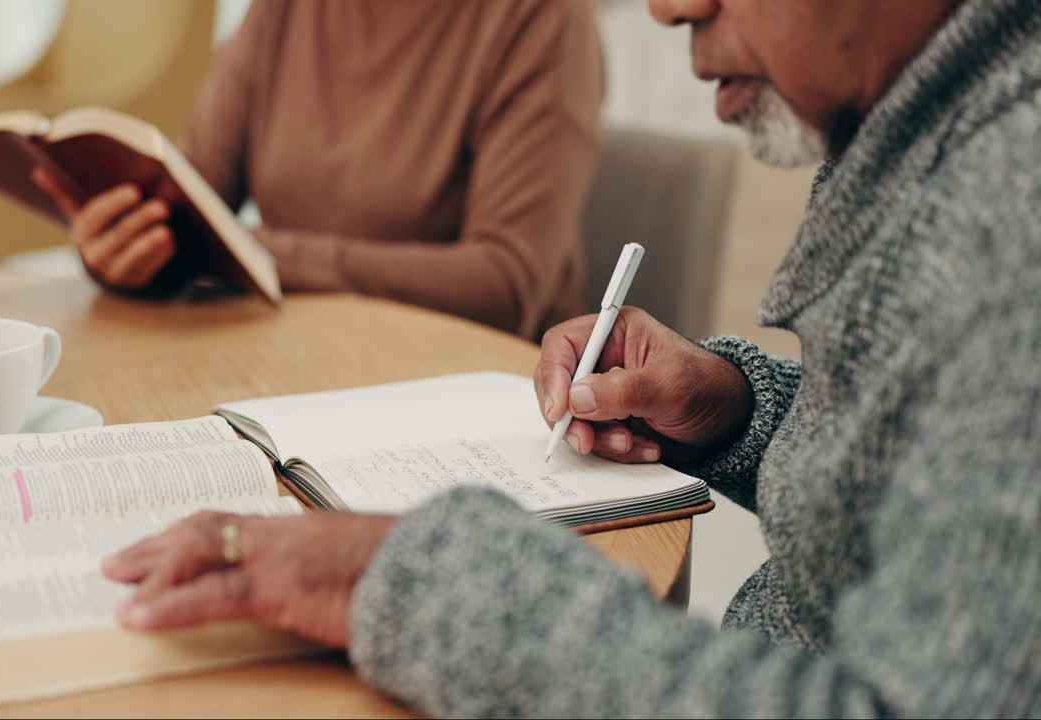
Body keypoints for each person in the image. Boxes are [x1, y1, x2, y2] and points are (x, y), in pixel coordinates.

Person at [100, 0, 1041, 716]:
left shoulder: (1013, 215)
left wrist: (422, 580)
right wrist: (740, 409)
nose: (667, 7)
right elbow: (932, 456)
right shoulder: (931, 140)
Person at [33, 0, 604, 339]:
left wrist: (254, 253)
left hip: (478, 391)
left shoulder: (538, 17)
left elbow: (505, 284)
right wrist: (128, 252)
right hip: (299, 360)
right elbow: (190, 201)